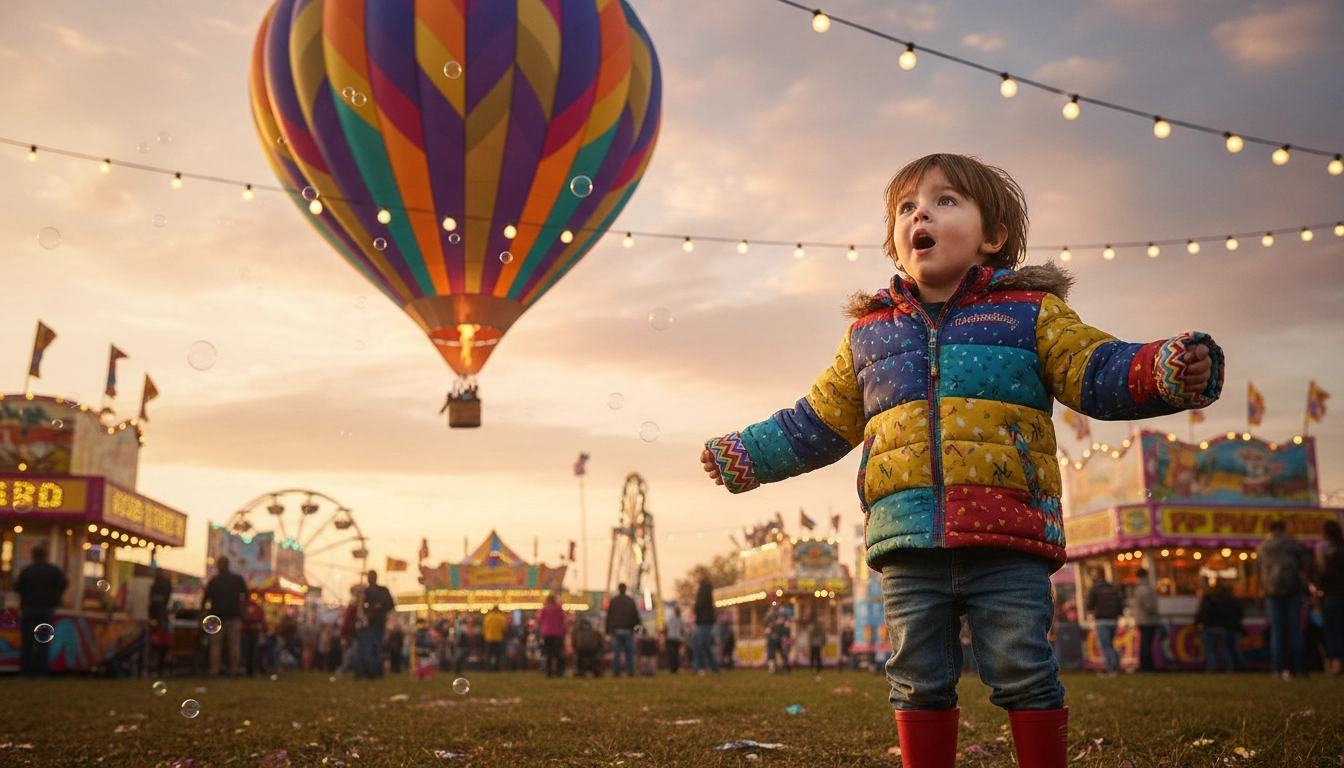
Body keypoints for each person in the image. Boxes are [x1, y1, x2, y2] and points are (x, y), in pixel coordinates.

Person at [700, 152, 1222, 768]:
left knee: (1023, 670)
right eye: (906, 206)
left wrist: (1164, 368)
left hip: (1008, 537)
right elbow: (817, 419)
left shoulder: (1030, 313)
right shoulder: (870, 335)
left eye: (946, 201)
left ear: (992, 237)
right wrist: (747, 455)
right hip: (908, 542)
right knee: (916, 678)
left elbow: (1094, 369)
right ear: (897, 245)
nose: (921, 211)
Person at [1257, 518, 1314, 679]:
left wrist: (1262, 590)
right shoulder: (1294, 545)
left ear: (1271, 530)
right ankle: (1301, 668)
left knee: (1277, 632)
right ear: (1283, 529)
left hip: (1272, 593)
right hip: (1293, 591)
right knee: (1295, 630)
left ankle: (1277, 669)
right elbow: (1307, 564)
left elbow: (1257, 571)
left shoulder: (1262, 547)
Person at [15, 545, 68, 677]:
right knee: (43, 640)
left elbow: (17, 587)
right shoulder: (53, 571)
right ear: (46, 556)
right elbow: (63, 584)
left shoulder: (27, 571)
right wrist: (54, 597)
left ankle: (26, 670)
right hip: (46, 609)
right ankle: (41, 670)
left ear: (33, 556)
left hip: (28, 608)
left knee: (27, 641)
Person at [201, 556, 248, 677]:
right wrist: (242, 610)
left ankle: (214, 669)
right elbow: (246, 595)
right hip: (233, 616)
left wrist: (202, 613)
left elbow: (205, 599)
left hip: (216, 616)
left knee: (215, 645)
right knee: (234, 644)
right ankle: (234, 669)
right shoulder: (237, 579)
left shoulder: (214, 581)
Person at [1315, 519, 1344, 677]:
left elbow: (1322, 573)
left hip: (1331, 596)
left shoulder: (1324, 551)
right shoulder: (1341, 549)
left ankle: (1335, 664)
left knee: (1332, 631)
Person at [1085, 569, 1123, 676]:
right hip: (1113, 620)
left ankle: (1111, 668)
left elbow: (1089, 605)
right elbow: (1120, 604)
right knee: (1110, 644)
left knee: (1105, 646)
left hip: (1101, 620)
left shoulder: (1095, 589)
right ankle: (1116, 666)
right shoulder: (1112, 588)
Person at [360, 571, 394, 680]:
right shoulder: (383, 591)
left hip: (373, 622)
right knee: (377, 646)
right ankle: (377, 670)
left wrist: (371, 610)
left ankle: (373, 670)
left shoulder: (368, 591)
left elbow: (362, 605)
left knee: (371, 647)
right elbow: (390, 605)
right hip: (379, 621)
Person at [605, 583, 640, 677]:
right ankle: (630, 671)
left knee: (616, 652)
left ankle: (616, 671)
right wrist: (638, 628)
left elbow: (609, 616)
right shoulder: (630, 601)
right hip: (628, 629)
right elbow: (635, 616)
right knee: (629, 652)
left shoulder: (613, 601)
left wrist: (607, 629)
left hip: (616, 629)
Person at [1129, 568, 1160, 672]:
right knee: (1146, 644)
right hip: (1148, 620)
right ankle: (1147, 666)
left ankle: (1145, 665)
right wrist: (1155, 613)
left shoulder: (1136, 589)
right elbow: (1149, 606)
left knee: (1144, 643)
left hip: (1141, 619)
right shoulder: (1146, 589)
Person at [691, 575, 719, 675]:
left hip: (702, 622)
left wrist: (695, 607)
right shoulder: (708, 592)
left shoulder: (703, 590)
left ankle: (700, 667)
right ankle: (712, 667)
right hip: (706, 622)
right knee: (705, 645)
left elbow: (699, 604)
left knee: (701, 645)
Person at [148, 567, 173, 677]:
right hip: (161, 617)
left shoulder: (155, 586)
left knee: (156, 643)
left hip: (157, 617)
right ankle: (160, 667)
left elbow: (152, 603)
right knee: (162, 643)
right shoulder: (166, 585)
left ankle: (154, 666)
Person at [538, 593, 568, 677]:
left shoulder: (544, 609)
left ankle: (549, 671)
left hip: (547, 633)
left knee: (549, 654)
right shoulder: (558, 609)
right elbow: (563, 619)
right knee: (558, 653)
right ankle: (559, 671)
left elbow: (539, 619)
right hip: (557, 633)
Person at [240, 592, 266, 676]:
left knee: (248, 651)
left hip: (248, 631)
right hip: (251, 631)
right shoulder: (256, 607)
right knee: (251, 651)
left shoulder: (246, 606)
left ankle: (248, 669)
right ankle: (249, 669)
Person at [483, 605, 507, 672]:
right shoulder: (501, 617)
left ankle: (488, 668)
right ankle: (496, 668)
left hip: (489, 638)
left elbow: (484, 627)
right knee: (498, 655)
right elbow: (504, 628)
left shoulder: (488, 617)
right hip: (498, 638)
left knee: (489, 654)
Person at [663, 602, 684, 674]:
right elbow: (682, 630)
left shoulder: (670, 618)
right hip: (677, 638)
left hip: (670, 637)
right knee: (676, 654)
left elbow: (666, 627)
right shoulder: (680, 619)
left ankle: (672, 668)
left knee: (671, 654)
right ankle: (675, 668)